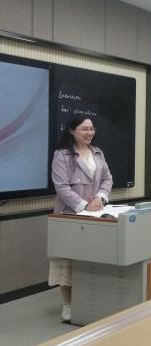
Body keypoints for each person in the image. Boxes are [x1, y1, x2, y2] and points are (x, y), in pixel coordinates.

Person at [49, 115, 113, 321]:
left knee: (91, 259)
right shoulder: (62, 155)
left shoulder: (98, 152)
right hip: (69, 215)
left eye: (92, 128)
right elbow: (62, 187)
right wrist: (85, 205)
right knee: (67, 261)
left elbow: (107, 179)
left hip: (95, 216)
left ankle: (89, 300)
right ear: (71, 130)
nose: (89, 132)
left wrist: (101, 198)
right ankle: (68, 304)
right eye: (84, 129)